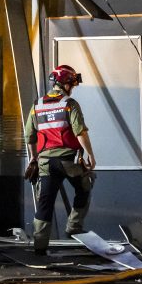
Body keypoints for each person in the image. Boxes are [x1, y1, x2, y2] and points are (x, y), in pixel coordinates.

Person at [24, 64, 96, 255]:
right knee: (85, 185)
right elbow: (79, 131)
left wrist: (33, 158)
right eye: (71, 84)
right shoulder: (69, 104)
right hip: (68, 161)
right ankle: (73, 226)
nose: (72, 88)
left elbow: (29, 136)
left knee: (45, 203)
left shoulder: (36, 106)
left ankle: (39, 247)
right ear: (64, 84)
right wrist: (90, 154)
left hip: (46, 162)